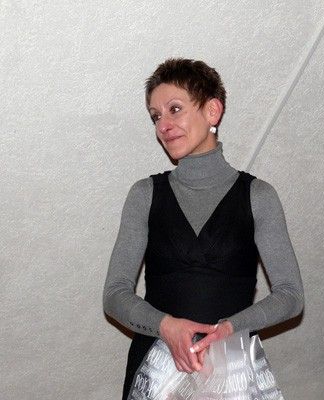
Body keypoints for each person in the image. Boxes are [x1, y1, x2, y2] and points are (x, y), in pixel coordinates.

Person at [103, 58, 304, 399]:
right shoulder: (145, 194)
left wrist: (230, 329)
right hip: (156, 374)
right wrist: (166, 326)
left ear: (212, 111)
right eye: (155, 116)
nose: (163, 125)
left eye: (174, 109)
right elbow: (114, 295)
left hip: (232, 372)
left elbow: (291, 296)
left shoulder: (258, 196)